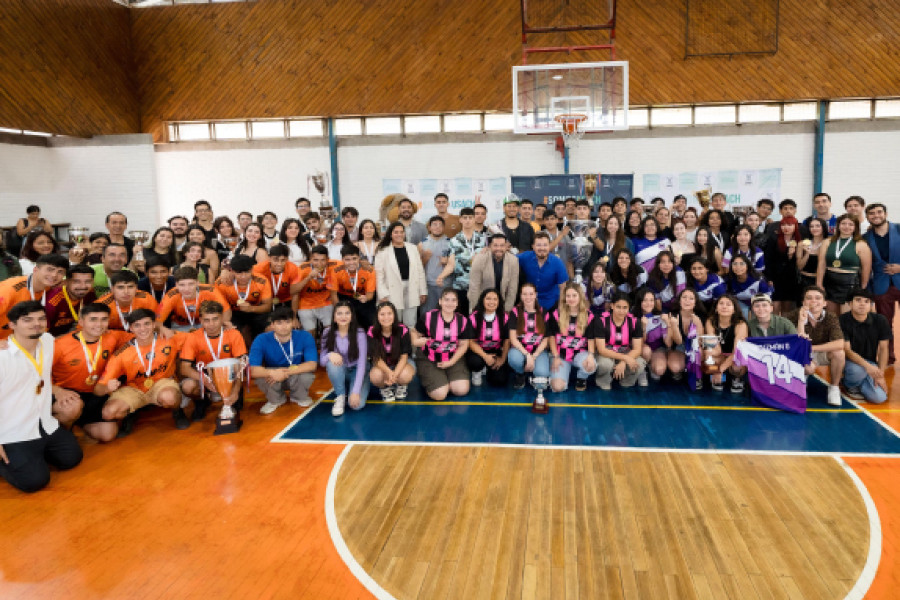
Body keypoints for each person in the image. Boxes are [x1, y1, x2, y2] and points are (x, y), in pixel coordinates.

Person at [0, 301, 83, 493]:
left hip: (42, 421)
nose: (36, 323)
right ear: (12, 325)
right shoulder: (3, 357)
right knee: (34, 482)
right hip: (12, 429)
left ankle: (31, 454)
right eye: (27, 320)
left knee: (71, 458)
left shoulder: (47, 340)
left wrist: (57, 390)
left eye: (41, 318)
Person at [52, 303, 135, 441]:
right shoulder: (59, 345)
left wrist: (161, 328)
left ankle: (77, 422)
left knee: (107, 435)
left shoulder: (112, 336)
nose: (99, 324)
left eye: (104, 319)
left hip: (96, 392)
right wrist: (57, 391)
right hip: (68, 392)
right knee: (71, 408)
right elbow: (38, 374)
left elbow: (141, 337)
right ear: (81, 322)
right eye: (93, 319)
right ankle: (63, 435)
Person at [95, 309, 187, 430]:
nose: (142, 329)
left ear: (154, 324)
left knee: (169, 397)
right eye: (137, 325)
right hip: (133, 389)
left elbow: (195, 339)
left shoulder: (169, 338)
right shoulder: (121, 354)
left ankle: (177, 411)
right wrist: (107, 388)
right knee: (109, 413)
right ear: (131, 328)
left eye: (147, 324)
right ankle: (131, 413)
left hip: (161, 383)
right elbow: (97, 389)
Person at [249, 307, 318, 415]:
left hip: (294, 371)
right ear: (272, 325)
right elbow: (253, 370)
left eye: (287, 322)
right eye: (279, 323)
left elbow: (312, 365)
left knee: (306, 375)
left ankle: (299, 397)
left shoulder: (305, 336)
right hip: (274, 375)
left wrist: (283, 372)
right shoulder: (261, 339)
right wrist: (272, 373)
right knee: (262, 376)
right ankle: (275, 400)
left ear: (293, 322)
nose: (284, 326)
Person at [787, 286, 845, 406]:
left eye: (818, 298)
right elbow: (796, 343)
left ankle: (834, 388)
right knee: (808, 369)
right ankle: (803, 377)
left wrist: (812, 348)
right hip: (801, 353)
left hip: (819, 351)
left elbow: (840, 343)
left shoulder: (831, 317)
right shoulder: (792, 316)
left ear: (824, 303)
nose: (813, 301)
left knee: (839, 353)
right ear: (803, 302)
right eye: (809, 298)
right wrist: (801, 322)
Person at [414, 288, 473, 401]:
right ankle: (433, 380)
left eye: (453, 300)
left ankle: (444, 378)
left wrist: (451, 361)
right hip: (429, 357)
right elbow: (414, 332)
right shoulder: (428, 317)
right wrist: (415, 341)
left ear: (457, 303)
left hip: (452, 357)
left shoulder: (463, 320)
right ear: (440, 301)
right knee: (440, 395)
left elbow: (464, 344)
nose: (450, 303)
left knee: (461, 390)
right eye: (446, 300)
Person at [840, 289, 891, 403]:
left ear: (871, 305)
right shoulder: (842, 320)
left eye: (866, 301)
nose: (862, 304)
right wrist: (867, 366)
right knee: (858, 371)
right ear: (850, 303)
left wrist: (880, 374)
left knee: (879, 398)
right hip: (849, 363)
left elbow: (883, 349)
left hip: (871, 364)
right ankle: (849, 385)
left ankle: (861, 382)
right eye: (858, 300)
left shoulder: (880, 320)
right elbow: (847, 350)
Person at [0, 254, 68, 339]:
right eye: (50, 269)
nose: (54, 275)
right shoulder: (9, 290)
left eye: (60, 272)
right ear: (35, 269)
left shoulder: (49, 288)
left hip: (20, 341)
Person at [320, 301, 370, 417]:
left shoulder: (360, 333)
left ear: (352, 317)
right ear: (334, 317)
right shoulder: (327, 332)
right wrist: (329, 355)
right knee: (331, 363)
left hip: (357, 370)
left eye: (347, 313)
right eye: (339, 313)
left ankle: (355, 386)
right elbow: (322, 361)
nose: (343, 317)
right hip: (341, 370)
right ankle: (340, 396)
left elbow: (362, 364)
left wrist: (356, 392)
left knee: (357, 405)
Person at [864, 203, 900, 364]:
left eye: (879, 212)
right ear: (867, 217)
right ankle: (889, 358)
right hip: (881, 286)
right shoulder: (866, 238)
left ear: (885, 213)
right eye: (871, 213)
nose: (876, 215)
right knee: (885, 325)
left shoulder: (898, 229)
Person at [374, 222, 428, 328]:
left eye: (401, 232)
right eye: (396, 232)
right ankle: (395, 344)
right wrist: (382, 294)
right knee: (393, 322)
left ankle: (410, 344)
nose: (399, 234)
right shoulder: (383, 250)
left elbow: (420, 271)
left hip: (412, 288)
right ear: (390, 234)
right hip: (391, 290)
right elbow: (379, 274)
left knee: (411, 322)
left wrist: (422, 291)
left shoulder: (412, 248)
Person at [546, 282, 597, 392]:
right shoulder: (556, 314)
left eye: (574, 295)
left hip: (580, 354)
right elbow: (551, 337)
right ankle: (562, 375)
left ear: (580, 296)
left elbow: (591, 339)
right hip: (561, 354)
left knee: (591, 366)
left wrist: (591, 355)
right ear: (564, 298)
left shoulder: (589, 315)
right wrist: (555, 357)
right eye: (568, 296)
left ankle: (581, 378)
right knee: (557, 387)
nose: (571, 299)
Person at [817, 214, 872, 314]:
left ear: (855, 227)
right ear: (838, 225)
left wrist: (863, 288)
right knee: (832, 317)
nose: (846, 226)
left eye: (850, 224)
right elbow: (821, 264)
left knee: (846, 317)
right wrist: (819, 283)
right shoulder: (827, 242)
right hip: (830, 282)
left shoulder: (861, 244)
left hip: (849, 284)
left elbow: (866, 268)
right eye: (843, 223)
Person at [595, 291, 647, 390]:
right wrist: (626, 359)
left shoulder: (635, 322)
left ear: (629, 308)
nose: (622, 311)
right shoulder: (601, 320)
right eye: (618, 307)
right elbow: (601, 350)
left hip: (625, 351)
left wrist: (623, 361)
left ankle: (626, 380)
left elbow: (637, 349)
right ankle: (603, 380)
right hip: (607, 353)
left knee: (638, 364)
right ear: (612, 306)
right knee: (605, 364)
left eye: (625, 308)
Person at [217, 254, 272, 345]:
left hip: (256, 311)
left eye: (247, 272)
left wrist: (251, 309)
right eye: (239, 273)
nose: (243, 276)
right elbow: (219, 307)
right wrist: (225, 322)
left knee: (271, 328)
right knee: (236, 331)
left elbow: (268, 306)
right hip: (233, 313)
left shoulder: (262, 281)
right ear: (232, 271)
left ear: (252, 269)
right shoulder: (222, 283)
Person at [157, 266, 231, 332]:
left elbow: (226, 311)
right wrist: (165, 331)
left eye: (191, 284)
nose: (187, 289)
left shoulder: (210, 290)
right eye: (182, 285)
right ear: (176, 285)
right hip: (180, 326)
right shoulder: (170, 295)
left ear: (197, 282)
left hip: (206, 323)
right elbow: (157, 320)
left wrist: (221, 325)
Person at [368, 301, 415, 401]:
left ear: (394, 315)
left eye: (389, 313)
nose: (386, 317)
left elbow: (404, 357)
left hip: (401, 364)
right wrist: (389, 372)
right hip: (383, 365)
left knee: (405, 375)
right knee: (375, 376)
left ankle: (401, 385)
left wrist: (394, 375)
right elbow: (376, 358)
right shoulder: (372, 331)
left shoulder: (403, 329)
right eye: (382, 314)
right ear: (377, 316)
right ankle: (385, 388)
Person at [507, 282, 551, 389]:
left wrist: (534, 356)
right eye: (525, 294)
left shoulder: (544, 312)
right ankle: (520, 373)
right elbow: (513, 338)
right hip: (520, 350)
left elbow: (546, 339)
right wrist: (527, 355)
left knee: (542, 374)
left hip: (538, 351)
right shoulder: (515, 312)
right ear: (521, 296)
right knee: (514, 358)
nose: (528, 297)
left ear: (536, 295)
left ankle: (533, 368)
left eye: (531, 294)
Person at [442, 207, 486, 314]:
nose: (467, 220)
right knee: (461, 318)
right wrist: (441, 276)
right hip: (460, 286)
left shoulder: (483, 239)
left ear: (474, 219)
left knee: (477, 317)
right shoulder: (454, 240)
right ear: (460, 220)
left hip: (479, 286)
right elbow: (451, 263)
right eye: (465, 218)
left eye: (470, 218)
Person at [702, 295, 748, 393]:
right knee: (708, 355)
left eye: (728, 304)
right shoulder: (710, 321)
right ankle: (717, 377)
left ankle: (737, 378)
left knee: (737, 365)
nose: (724, 307)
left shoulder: (741, 324)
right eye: (721, 303)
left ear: (734, 310)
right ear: (716, 308)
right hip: (721, 354)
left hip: (734, 355)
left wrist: (720, 369)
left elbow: (737, 352)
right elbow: (712, 348)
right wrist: (713, 368)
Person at [466, 288, 510, 387]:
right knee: (475, 362)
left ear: (499, 302)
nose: (492, 302)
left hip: (496, 351)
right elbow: (471, 342)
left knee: (499, 381)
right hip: (478, 352)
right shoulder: (473, 317)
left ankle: (488, 368)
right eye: (488, 299)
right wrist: (485, 356)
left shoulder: (504, 317)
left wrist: (502, 359)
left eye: (495, 299)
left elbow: (507, 340)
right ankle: (477, 371)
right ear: (482, 300)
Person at [468, 233, 519, 313]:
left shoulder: (513, 261)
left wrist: (507, 310)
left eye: (502, 245)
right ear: (490, 246)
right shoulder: (479, 259)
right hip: (481, 303)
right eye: (495, 245)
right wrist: (477, 309)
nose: (499, 248)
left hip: (502, 303)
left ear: (506, 246)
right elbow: (474, 287)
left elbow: (512, 288)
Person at [517, 232, 569, 311]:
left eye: (545, 245)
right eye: (538, 245)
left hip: (550, 303)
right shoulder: (525, 257)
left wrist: (561, 308)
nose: (542, 248)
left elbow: (563, 288)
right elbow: (510, 259)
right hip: (528, 301)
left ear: (549, 246)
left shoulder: (557, 263)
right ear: (533, 247)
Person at [664, 288, 705, 389]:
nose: (687, 301)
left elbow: (701, 342)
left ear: (695, 302)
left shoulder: (701, 316)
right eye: (684, 297)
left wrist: (698, 324)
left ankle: (697, 375)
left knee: (699, 351)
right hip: (680, 347)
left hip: (695, 347)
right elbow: (676, 342)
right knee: (675, 367)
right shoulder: (673, 315)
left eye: (691, 298)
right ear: (679, 301)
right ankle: (681, 370)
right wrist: (674, 326)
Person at [296, 245, 339, 335]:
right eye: (315, 260)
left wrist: (363, 263)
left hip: (326, 303)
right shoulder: (302, 269)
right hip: (306, 305)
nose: (319, 263)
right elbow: (294, 291)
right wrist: (308, 278)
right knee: (310, 336)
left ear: (328, 259)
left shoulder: (334, 265)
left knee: (330, 332)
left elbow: (350, 262)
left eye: (323, 260)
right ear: (310, 259)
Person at [44, 264, 96, 336]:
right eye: (77, 282)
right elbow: (41, 334)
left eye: (88, 281)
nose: (83, 286)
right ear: (66, 282)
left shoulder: (90, 293)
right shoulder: (52, 302)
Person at [332, 245, 376, 329]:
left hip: (363, 298)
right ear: (342, 260)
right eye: (347, 260)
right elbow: (333, 294)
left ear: (359, 258)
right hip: (344, 298)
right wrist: (339, 310)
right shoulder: (336, 271)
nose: (351, 262)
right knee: (340, 322)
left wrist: (365, 298)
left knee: (372, 322)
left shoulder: (369, 270)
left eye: (354, 259)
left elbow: (370, 295)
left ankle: (370, 340)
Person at [764, 216, 802, 314]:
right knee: (775, 307)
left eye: (789, 225)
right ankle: (774, 328)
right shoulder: (774, 239)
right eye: (783, 225)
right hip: (776, 277)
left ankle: (784, 328)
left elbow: (799, 263)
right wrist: (769, 278)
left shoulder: (799, 241)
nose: (786, 227)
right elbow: (768, 259)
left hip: (791, 279)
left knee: (787, 309)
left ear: (795, 227)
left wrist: (791, 256)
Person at [251, 244, 301, 315]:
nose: (279, 264)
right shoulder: (258, 269)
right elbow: (243, 273)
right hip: (265, 301)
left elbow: (295, 294)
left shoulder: (293, 269)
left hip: (286, 300)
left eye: (283, 260)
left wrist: (294, 317)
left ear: (287, 259)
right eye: (275, 260)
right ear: (269, 258)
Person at [418, 216, 451, 313]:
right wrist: (424, 259)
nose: (437, 227)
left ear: (444, 227)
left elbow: (456, 265)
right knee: (428, 315)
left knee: (446, 313)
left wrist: (448, 261)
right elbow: (416, 268)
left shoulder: (451, 243)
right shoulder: (422, 244)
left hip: (446, 285)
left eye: (440, 225)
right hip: (428, 285)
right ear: (429, 227)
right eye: (434, 225)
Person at [636, 287, 668, 383]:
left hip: (657, 349)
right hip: (640, 349)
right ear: (639, 302)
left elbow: (668, 344)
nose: (649, 303)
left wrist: (669, 324)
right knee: (646, 350)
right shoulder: (633, 317)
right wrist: (643, 327)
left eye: (651, 300)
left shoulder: (661, 316)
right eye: (645, 300)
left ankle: (650, 365)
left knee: (659, 371)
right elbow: (639, 343)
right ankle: (642, 370)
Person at [796, 217, 828, 292]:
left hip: (823, 280)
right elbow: (799, 267)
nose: (814, 228)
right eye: (811, 226)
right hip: (804, 280)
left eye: (817, 226)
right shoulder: (802, 244)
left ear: (823, 227)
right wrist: (807, 254)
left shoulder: (828, 243)